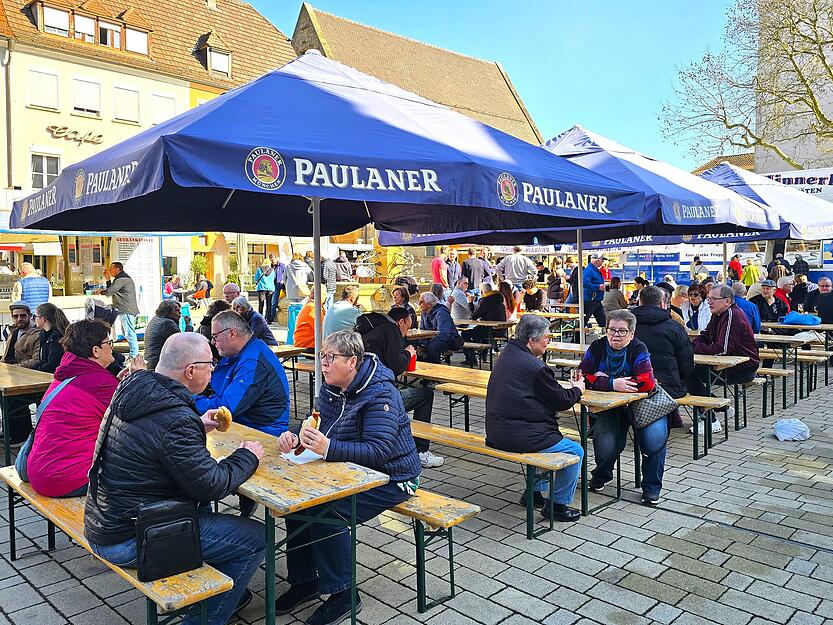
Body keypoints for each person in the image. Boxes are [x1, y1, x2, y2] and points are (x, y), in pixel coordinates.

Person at [84, 333, 265, 625]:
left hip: (106, 519)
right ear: (190, 370)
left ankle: (218, 593)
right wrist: (248, 456)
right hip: (132, 537)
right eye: (210, 364)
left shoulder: (137, 388)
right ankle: (205, 616)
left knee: (204, 514)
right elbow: (211, 485)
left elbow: (157, 439)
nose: (214, 369)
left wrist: (196, 425)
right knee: (256, 538)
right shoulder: (174, 416)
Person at [275, 331, 420, 625]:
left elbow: (379, 451)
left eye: (330, 358)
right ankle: (305, 581)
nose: (323, 364)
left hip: (394, 477)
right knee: (298, 501)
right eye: (322, 357)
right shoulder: (331, 387)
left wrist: (329, 448)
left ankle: (343, 594)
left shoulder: (380, 393)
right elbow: (318, 422)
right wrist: (297, 437)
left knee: (327, 509)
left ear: (352, 361)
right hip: (350, 470)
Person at [485, 314, 584, 521]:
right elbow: (562, 400)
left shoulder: (507, 353)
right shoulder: (536, 367)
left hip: (496, 430)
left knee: (542, 441)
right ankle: (557, 505)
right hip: (516, 434)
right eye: (546, 338)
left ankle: (534, 493)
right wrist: (578, 389)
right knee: (576, 451)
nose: (548, 342)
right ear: (531, 341)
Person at [579, 309, 667, 505]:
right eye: (611, 330)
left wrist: (602, 378)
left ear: (632, 334)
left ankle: (651, 487)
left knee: (654, 441)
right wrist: (612, 384)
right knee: (606, 444)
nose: (615, 335)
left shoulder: (639, 348)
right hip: (610, 406)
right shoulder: (597, 347)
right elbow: (581, 376)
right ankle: (602, 475)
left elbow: (646, 383)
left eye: (621, 331)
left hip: (645, 405)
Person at [26, 320, 122, 497]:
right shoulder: (100, 383)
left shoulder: (64, 375)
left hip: (39, 472)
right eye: (108, 343)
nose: (111, 347)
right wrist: (138, 377)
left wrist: (118, 382)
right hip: (67, 479)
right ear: (96, 351)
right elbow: (134, 414)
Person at [357, 307, 443, 468]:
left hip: (360, 394)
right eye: (407, 328)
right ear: (400, 322)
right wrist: (408, 353)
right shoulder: (391, 330)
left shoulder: (370, 328)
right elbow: (397, 367)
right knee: (426, 395)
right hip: (380, 399)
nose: (406, 333)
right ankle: (421, 451)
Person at [195, 310, 290, 436]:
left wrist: (190, 400)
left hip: (264, 432)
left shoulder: (253, 362)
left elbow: (224, 410)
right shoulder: (241, 352)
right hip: (244, 426)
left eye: (215, 336)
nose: (212, 342)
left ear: (232, 334)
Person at [686, 285, 760, 429]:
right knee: (687, 371)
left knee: (689, 374)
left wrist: (694, 349)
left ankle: (710, 420)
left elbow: (723, 349)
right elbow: (706, 336)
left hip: (743, 367)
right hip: (727, 365)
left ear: (727, 301)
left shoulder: (733, 315)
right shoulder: (718, 314)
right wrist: (692, 347)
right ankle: (720, 409)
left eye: (713, 299)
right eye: (708, 298)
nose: (709, 302)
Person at [633, 286, 694, 429]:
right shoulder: (674, 327)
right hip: (670, 386)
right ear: (662, 304)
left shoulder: (628, 326)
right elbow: (687, 364)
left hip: (634, 385)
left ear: (640, 302)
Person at [461, 282, 507, 365]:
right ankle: (483, 356)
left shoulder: (486, 300)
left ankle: (471, 359)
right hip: (501, 330)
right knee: (478, 331)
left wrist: (470, 303)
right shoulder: (498, 299)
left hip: (490, 331)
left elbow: (473, 316)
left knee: (465, 334)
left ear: (482, 292)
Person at [100, 262, 139, 357]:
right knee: (127, 332)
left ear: (117, 269)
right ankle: (133, 354)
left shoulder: (122, 279)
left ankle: (134, 355)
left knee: (129, 333)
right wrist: (108, 279)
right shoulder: (121, 278)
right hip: (125, 309)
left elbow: (109, 291)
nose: (109, 271)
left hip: (126, 309)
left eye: (111, 269)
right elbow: (112, 289)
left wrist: (101, 291)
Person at [417, 292, 462, 363]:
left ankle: (435, 370)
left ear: (429, 304)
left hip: (451, 339)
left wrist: (427, 344)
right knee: (416, 346)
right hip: (435, 338)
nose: (419, 304)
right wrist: (423, 344)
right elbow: (422, 330)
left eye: (421, 302)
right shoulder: (424, 313)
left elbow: (443, 334)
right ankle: (423, 369)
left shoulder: (441, 312)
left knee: (432, 347)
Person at [143, 300, 181, 371]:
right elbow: (184, 343)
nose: (180, 313)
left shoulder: (156, 319)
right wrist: (188, 326)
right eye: (177, 310)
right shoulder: (167, 323)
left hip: (150, 362)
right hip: (158, 365)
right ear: (168, 311)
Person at [33, 302, 70, 373]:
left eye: (35, 316)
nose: (34, 319)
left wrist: (38, 372)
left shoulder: (57, 337)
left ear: (42, 319)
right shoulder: (43, 334)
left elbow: (53, 364)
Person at [3, 301, 41, 368]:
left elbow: (37, 360)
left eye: (23, 316)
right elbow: (6, 356)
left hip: (28, 374)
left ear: (30, 316)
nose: (19, 319)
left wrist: (16, 367)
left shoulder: (39, 334)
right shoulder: (13, 332)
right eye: (15, 316)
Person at [582, 253, 607, 327]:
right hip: (590, 301)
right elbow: (584, 283)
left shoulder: (593, 270)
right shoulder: (589, 270)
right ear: (598, 260)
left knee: (603, 322)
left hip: (595, 300)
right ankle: (577, 338)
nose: (603, 262)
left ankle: (605, 337)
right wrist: (598, 287)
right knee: (583, 322)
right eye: (602, 260)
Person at [267, 253, 287, 323]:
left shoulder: (282, 265)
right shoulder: (270, 266)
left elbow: (285, 273)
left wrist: (283, 280)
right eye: (271, 260)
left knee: (274, 302)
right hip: (271, 286)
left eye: (273, 260)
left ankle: (271, 318)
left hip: (278, 286)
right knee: (271, 302)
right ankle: (270, 316)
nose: (273, 261)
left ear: (276, 258)